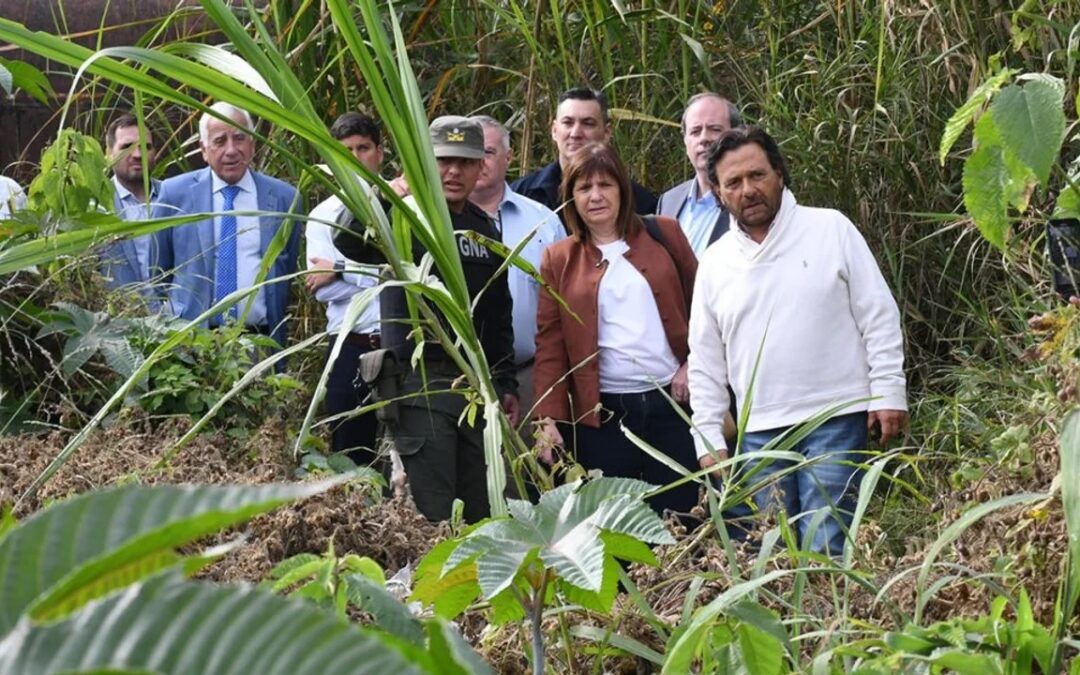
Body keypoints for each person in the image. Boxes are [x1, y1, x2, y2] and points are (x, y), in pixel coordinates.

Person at [688, 125, 908, 556]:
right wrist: (708, 434)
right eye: (733, 182)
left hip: (835, 419)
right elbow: (705, 359)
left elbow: (878, 315)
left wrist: (888, 392)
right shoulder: (714, 264)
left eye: (757, 175)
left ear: (780, 174)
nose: (748, 190)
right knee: (767, 552)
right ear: (717, 192)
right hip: (757, 433)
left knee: (826, 542)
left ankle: (834, 625)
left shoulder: (830, 229)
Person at [532, 143, 700, 515]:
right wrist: (547, 416)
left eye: (605, 185)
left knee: (680, 513)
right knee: (613, 521)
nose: (595, 196)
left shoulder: (665, 233)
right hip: (603, 415)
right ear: (571, 198)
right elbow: (550, 343)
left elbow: (705, 306)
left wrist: (693, 362)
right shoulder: (558, 258)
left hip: (672, 407)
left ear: (622, 189)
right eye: (583, 188)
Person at [382, 115, 518, 524]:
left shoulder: (483, 229)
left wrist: (506, 383)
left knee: (481, 511)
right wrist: (383, 196)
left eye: (465, 161)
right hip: (418, 387)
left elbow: (498, 313)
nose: (454, 171)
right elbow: (347, 240)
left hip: (474, 393)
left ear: (482, 167)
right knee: (427, 515)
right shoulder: (403, 216)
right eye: (443, 160)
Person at [154, 102, 302, 349]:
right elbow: (156, 272)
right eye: (220, 141)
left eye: (240, 138)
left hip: (261, 342)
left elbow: (286, 269)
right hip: (192, 344)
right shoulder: (174, 194)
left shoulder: (284, 199)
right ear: (204, 149)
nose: (231, 150)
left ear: (252, 145)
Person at [469, 115, 564, 418]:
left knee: (526, 465)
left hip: (529, 380)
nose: (478, 162)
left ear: (508, 157)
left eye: (487, 152)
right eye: (470, 153)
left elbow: (564, 305)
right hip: (455, 380)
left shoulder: (543, 221)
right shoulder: (432, 222)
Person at [305, 112, 386, 464]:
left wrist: (339, 269)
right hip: (349, 346)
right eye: (346, 150)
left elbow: (404, 276)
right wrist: (375, 275)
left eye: (363, 148)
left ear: (380, 153)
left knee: (411, 454)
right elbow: (321, 289)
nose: (356, 158)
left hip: (402, 345)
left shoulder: (404, 207)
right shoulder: (322, 216)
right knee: (351, 455)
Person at [511, 87, 656, 221]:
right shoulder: (519, 196)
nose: (575, 134)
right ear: (554, 131)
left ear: (607, 133)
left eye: (588, 123)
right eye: (568, 123)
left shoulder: (638, 202)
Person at [656, 93, 741, 257]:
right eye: (695, 131)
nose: (704, 138)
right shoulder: (668, 201)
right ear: (685, 140)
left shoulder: (747, 198)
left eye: (715, 129)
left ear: (736, 135)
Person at [99, 113, 163, 290]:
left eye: (146, 147)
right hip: (118, 314)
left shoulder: (175, 199)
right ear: (109, 154)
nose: (137, 154)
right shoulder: (95, 207)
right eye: (127, 147)